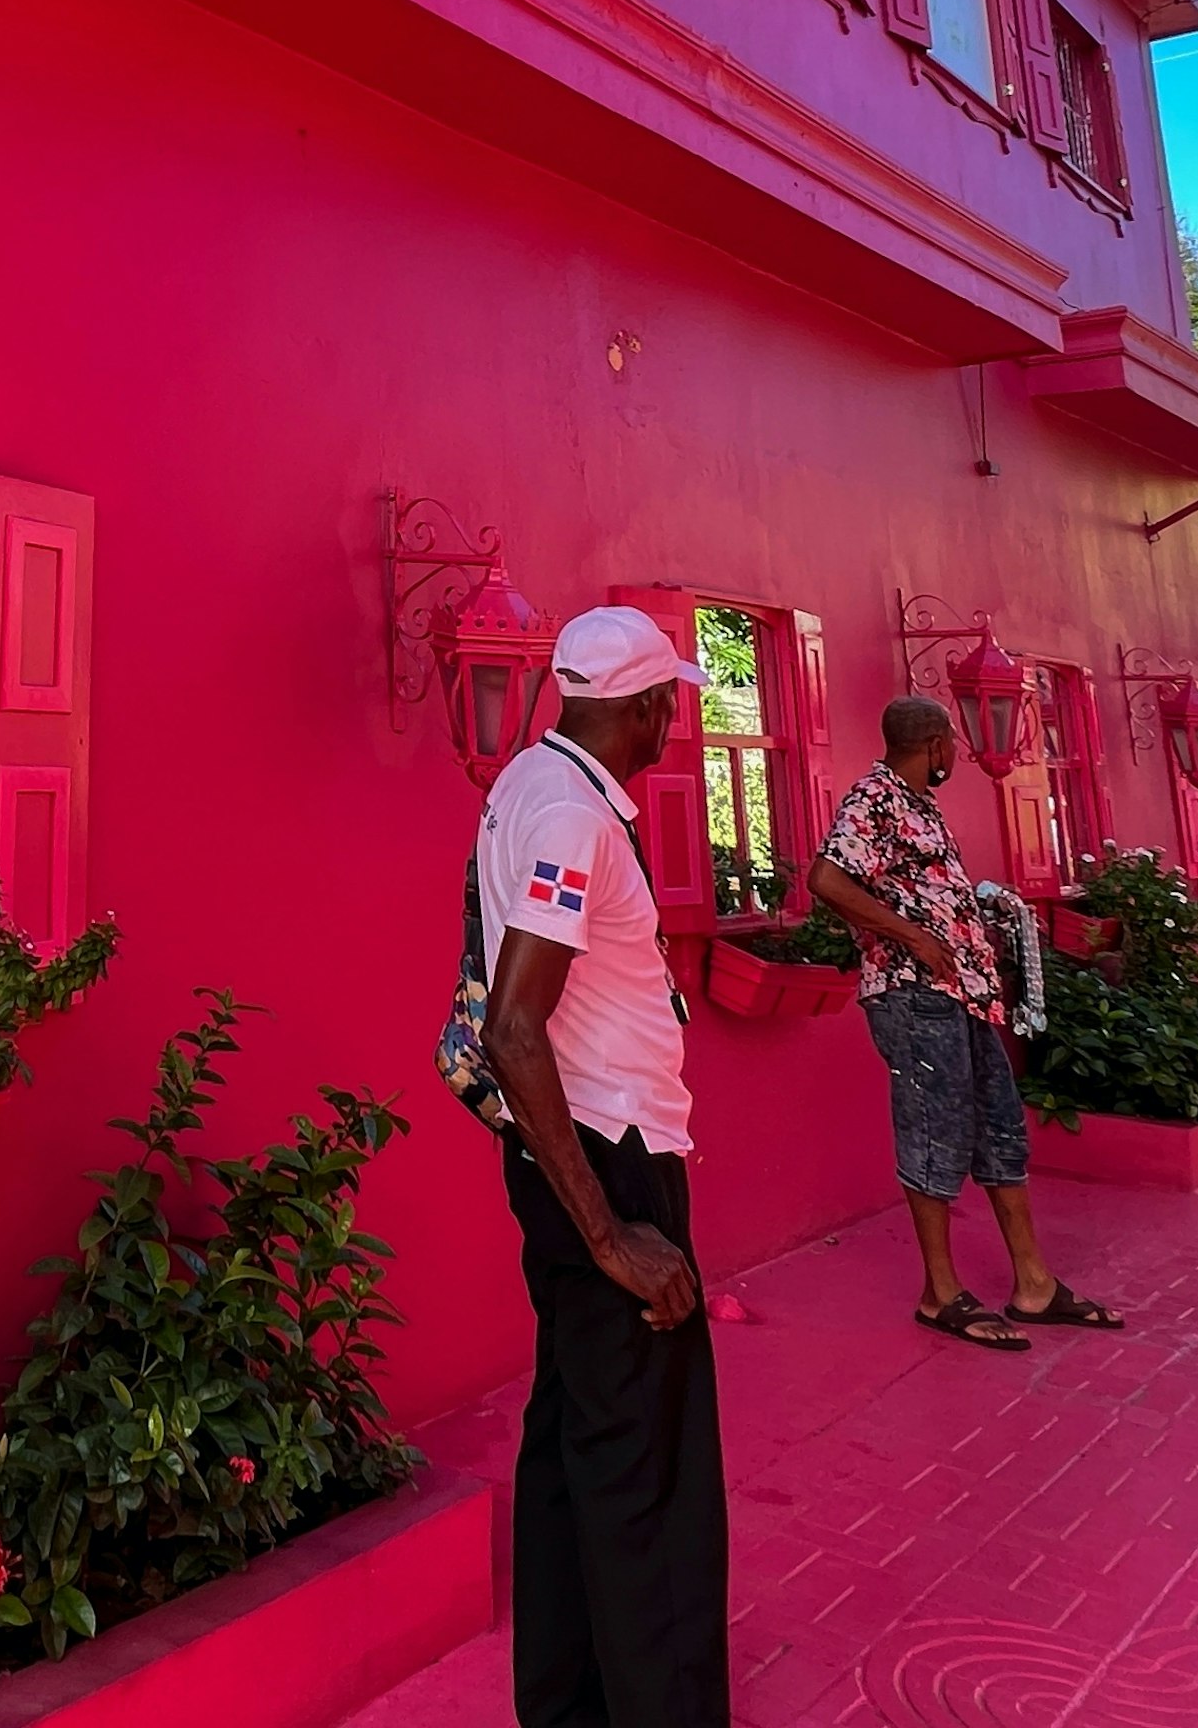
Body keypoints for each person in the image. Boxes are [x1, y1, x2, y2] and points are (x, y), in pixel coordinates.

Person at [475, 604, 724, 1728]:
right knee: (648, 1482)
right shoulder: (572, 817)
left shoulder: (527, 787)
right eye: (668, 697)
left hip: (567, 1153)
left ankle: (570, 1704)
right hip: (608, 1161)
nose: (673, 715)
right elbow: (514, 1028)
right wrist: (613, 1234)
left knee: (576, 1454)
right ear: (642, 709)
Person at [814, 695, 1125, 1352]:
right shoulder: (876, 798)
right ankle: (940, 1293)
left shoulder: (919, 804)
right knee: (934, 1135)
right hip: (915, 995)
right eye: (951, 741)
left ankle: (1034, 1282)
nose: (954, 753)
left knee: (1000, 1132)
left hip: (967, 996)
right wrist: (914, 938)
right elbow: (827, 878)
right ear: (934, 743)